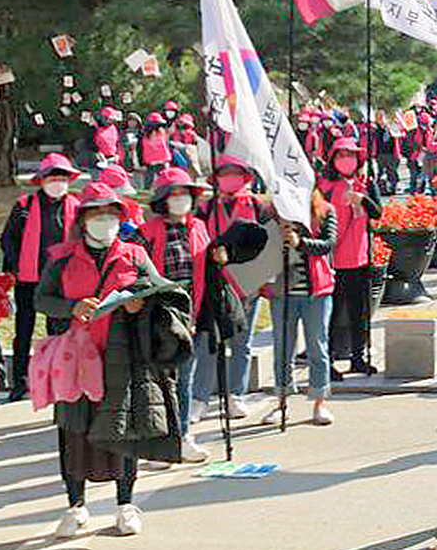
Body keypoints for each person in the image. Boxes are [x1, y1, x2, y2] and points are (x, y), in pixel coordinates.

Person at [36, 182, 183, 538]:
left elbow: (163, 291)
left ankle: (125, 505)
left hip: (124, 355)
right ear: (83, 220)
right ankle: (76, 506)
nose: (104, 220)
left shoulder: (134, 255)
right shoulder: (62, 260)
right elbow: (41, 299)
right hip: (77, 360)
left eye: (110, 214)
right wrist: (71, 307)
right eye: (96, 214)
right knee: (73, 432)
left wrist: (141, 303)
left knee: (126, 430)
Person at [137, 167, 214, 463]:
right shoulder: (147, 232)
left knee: (184, 381)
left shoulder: (199, 228)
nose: (180, 199)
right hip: (156, 317)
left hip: (188, 318)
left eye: (185, 193)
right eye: (174, 194)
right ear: (163, 199)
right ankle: (157, 443)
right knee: (157, 382)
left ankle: (182, 437)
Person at [0, 153, 83, 401]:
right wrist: (17, 265)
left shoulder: (76, 207)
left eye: (62, 177)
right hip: (29, 277)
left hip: (61, 280)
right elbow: (8, 238)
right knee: (23, 330)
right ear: (42, 180)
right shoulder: (24, 205)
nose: (57, 181)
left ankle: (58, 377)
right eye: (53, 176)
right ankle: (21, 381)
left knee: (58, 329)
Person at [198, 155, 267, 421]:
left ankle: (236, 394)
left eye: (235, 173)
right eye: (224, 173)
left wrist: (264, 280)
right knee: (208, 343)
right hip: (214, 284)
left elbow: (267, 244)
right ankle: (200, 397)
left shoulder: (256, 205)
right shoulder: (204, 208)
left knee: (243, 343)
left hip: (247, 284)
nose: (230, 178)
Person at [268, 187, 339, 426]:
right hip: (282, 292)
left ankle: (320, 402)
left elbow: (327, 244)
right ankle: (281, 402)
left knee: (317, 347)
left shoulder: (325, 211)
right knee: (283, 348)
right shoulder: (273, 214)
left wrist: (301, 242)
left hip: (316, 293)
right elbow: (261, 246)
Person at [319, 138, 384, 377]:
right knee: (333, 314)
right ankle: (328, 361)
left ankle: (359, 357)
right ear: (333, 159)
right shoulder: (324, 186)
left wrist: (363, 200)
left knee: (360, 311)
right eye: (341, 155)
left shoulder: (366, 183)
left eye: (351, 155)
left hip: (360, 258)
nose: (346, 160)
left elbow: (378, 213)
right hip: (332, 260)